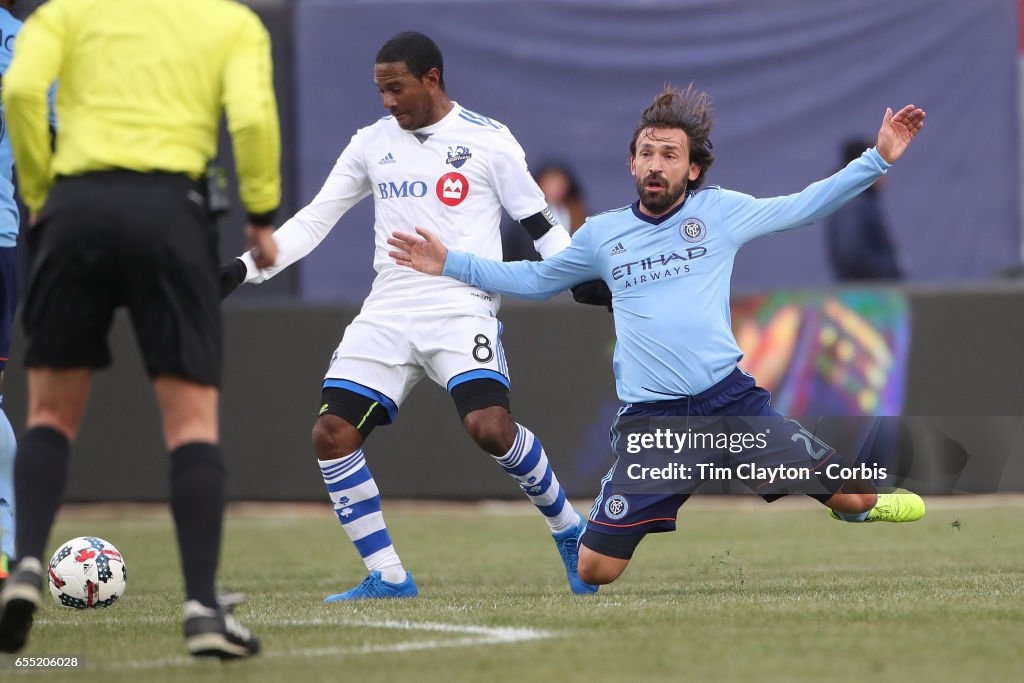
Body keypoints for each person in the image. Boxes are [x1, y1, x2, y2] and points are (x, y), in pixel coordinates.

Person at [388, 84, 928, 586]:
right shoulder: (602, 234)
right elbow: (534, 281)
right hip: (657, 424)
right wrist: (449, 262)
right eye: (647, 152)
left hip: (731, 405)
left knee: (855, 497)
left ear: (692, 170)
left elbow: (806, 206)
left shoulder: (719, 212)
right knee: (596, 569)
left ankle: (860, 505)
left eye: (670, 154)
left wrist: (877, 158)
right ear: (631, 163)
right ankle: (608, 514)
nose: (655, 163)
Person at [220, 31, 597, 600]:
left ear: (432, 79)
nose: (387, 102)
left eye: (396, 88)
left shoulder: (489, 141)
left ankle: (568, 529)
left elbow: (542, 227)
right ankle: (389, 577)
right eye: (380, 91)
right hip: (389, 308)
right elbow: (314, 219)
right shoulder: (371, 143)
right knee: (331, 434)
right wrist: (241, 270)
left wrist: (581, 279)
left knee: (490, 429)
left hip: (460, 304)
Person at [0, 0, 281, 659]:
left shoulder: (64, 16)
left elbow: (17, 90)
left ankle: (28, 565)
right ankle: (202, 607)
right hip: (170, 213)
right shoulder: (229, 22)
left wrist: (39, 188)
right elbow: (253, 119)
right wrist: (262, 212)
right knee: (190, 421)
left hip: (74, 209)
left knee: (48, 414)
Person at [825, 138, 904, 281]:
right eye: (881, 164)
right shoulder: (852, 204)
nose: (885, 172)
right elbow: (849, 254)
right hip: (865, 297)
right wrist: (890, 269)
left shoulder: (858, 201)